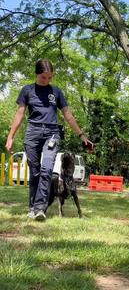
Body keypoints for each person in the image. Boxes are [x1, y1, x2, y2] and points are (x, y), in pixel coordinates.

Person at [5, 59, 94, 221]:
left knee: (47, 170)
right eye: (43, 77)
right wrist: (11, 136)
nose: (47, 81)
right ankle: (32, 207)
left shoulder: (57, 92)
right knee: (35, 172)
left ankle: (40, 208)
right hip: (32, 133)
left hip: (52, 133)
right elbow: (19, 115)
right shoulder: (27, 90)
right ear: (36, 74)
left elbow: (68, 115)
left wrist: (82, 135)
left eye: (50, 77)